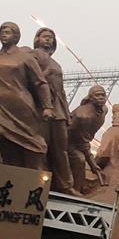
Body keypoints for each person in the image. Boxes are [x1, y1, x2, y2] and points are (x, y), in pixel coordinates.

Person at [0, 23, 55, 168]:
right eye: (1, 32)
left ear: (16, 36)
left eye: (7, 32)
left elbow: (40, 83)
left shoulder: (25, 58)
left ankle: (38, 176)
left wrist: (47, 107)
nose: (3, 35)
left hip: (21, 106)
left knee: (34, 144)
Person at [32, 28, 79, 195]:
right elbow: (30, 79)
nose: (49, 40)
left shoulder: (56, 64)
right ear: (37, 39)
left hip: (58, 110)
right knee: (41, 146)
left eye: (51, 38)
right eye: (45, 37)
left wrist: (67, 113)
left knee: (61, 149)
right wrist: (46, 73)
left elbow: (62, 91)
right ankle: (39, 182)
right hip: (41, 108)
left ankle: (66, 185)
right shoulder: (33, 56)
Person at [67, 86, 108, 194]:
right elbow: (81, 142)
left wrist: (93, 164)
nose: (101, 98)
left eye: (103, 95)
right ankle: (74, 191)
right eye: (97, 95)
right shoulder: (83, 116)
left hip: (81, 141)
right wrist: (92, 163)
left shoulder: (104, 110)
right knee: (79, 160)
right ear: (90, 98)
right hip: (66, 140)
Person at [95, 103, 119, 189]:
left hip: (111, 176)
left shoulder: (112, 132)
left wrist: (93, 165)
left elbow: (102, 155)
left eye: (114, 115)